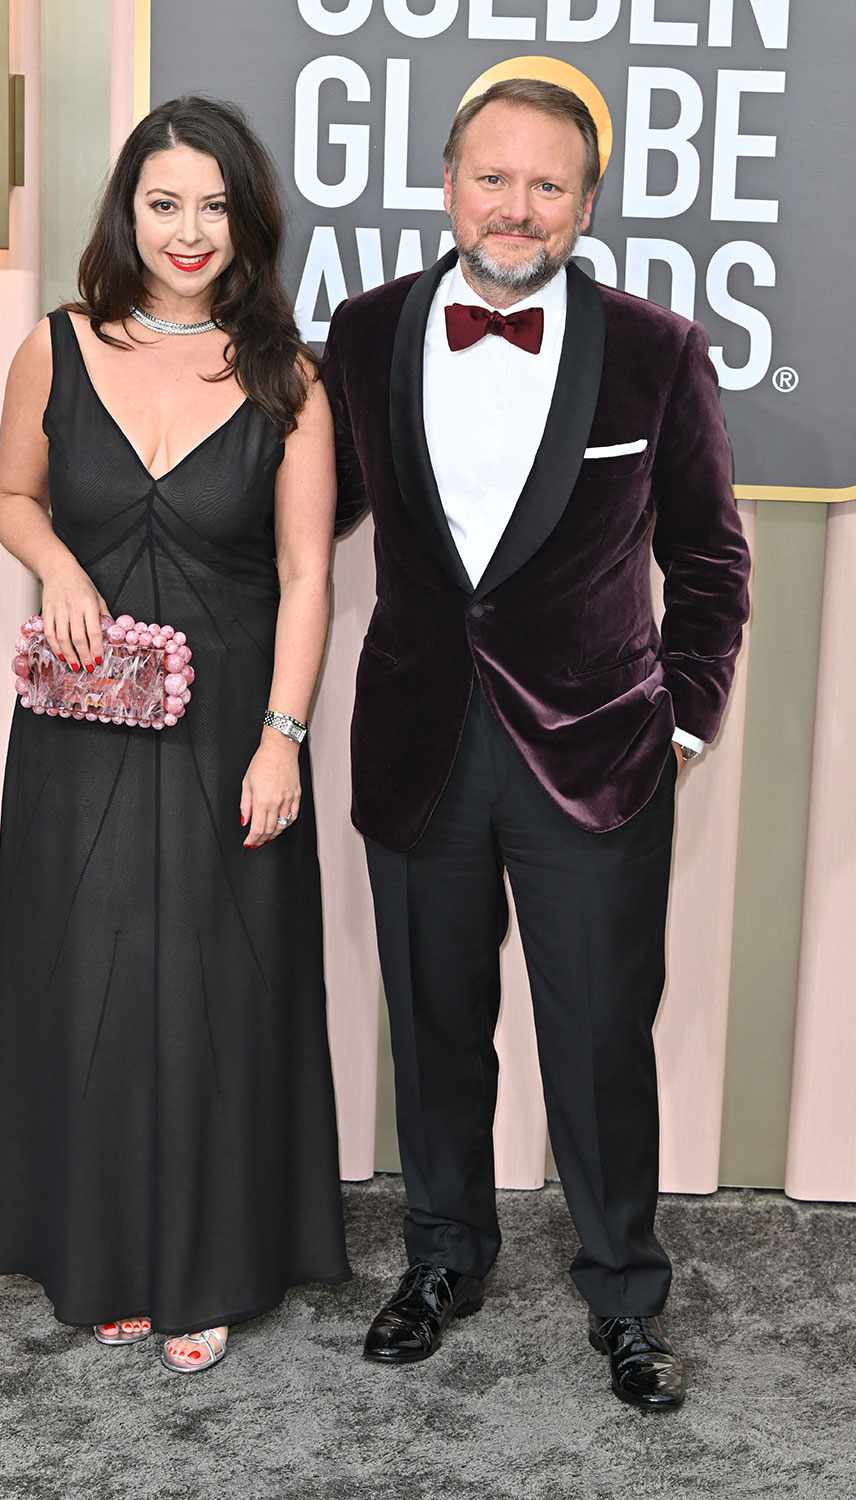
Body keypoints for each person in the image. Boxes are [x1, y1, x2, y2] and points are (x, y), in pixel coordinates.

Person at [321, 78, 750, 1410]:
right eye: (493, 178)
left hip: (599, 761)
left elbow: (711, 562)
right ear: (448, 186)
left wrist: (678, 723)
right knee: (436, 1025)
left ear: (584, 204)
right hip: (420, 741)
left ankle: (626, 1293)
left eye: (548, 184)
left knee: (599, 1040)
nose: (518, 206)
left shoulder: (655, 349)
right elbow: (305, 519)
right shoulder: (369, 328)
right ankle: (445, 1255)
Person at [0, 95, 351, 1372]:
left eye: (213, 205)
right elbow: (14, 496)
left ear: (248, 221)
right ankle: (110, 1254)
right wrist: (59, 569)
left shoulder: (290, 378)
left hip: (230, 726)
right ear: (126, 210)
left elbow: (309, 576)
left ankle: (208, 1267)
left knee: (214, 994)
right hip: (81, 728)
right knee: (93, 983)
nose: (188, 231)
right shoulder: (53, 349)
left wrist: (284, 736)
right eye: (162, 202)